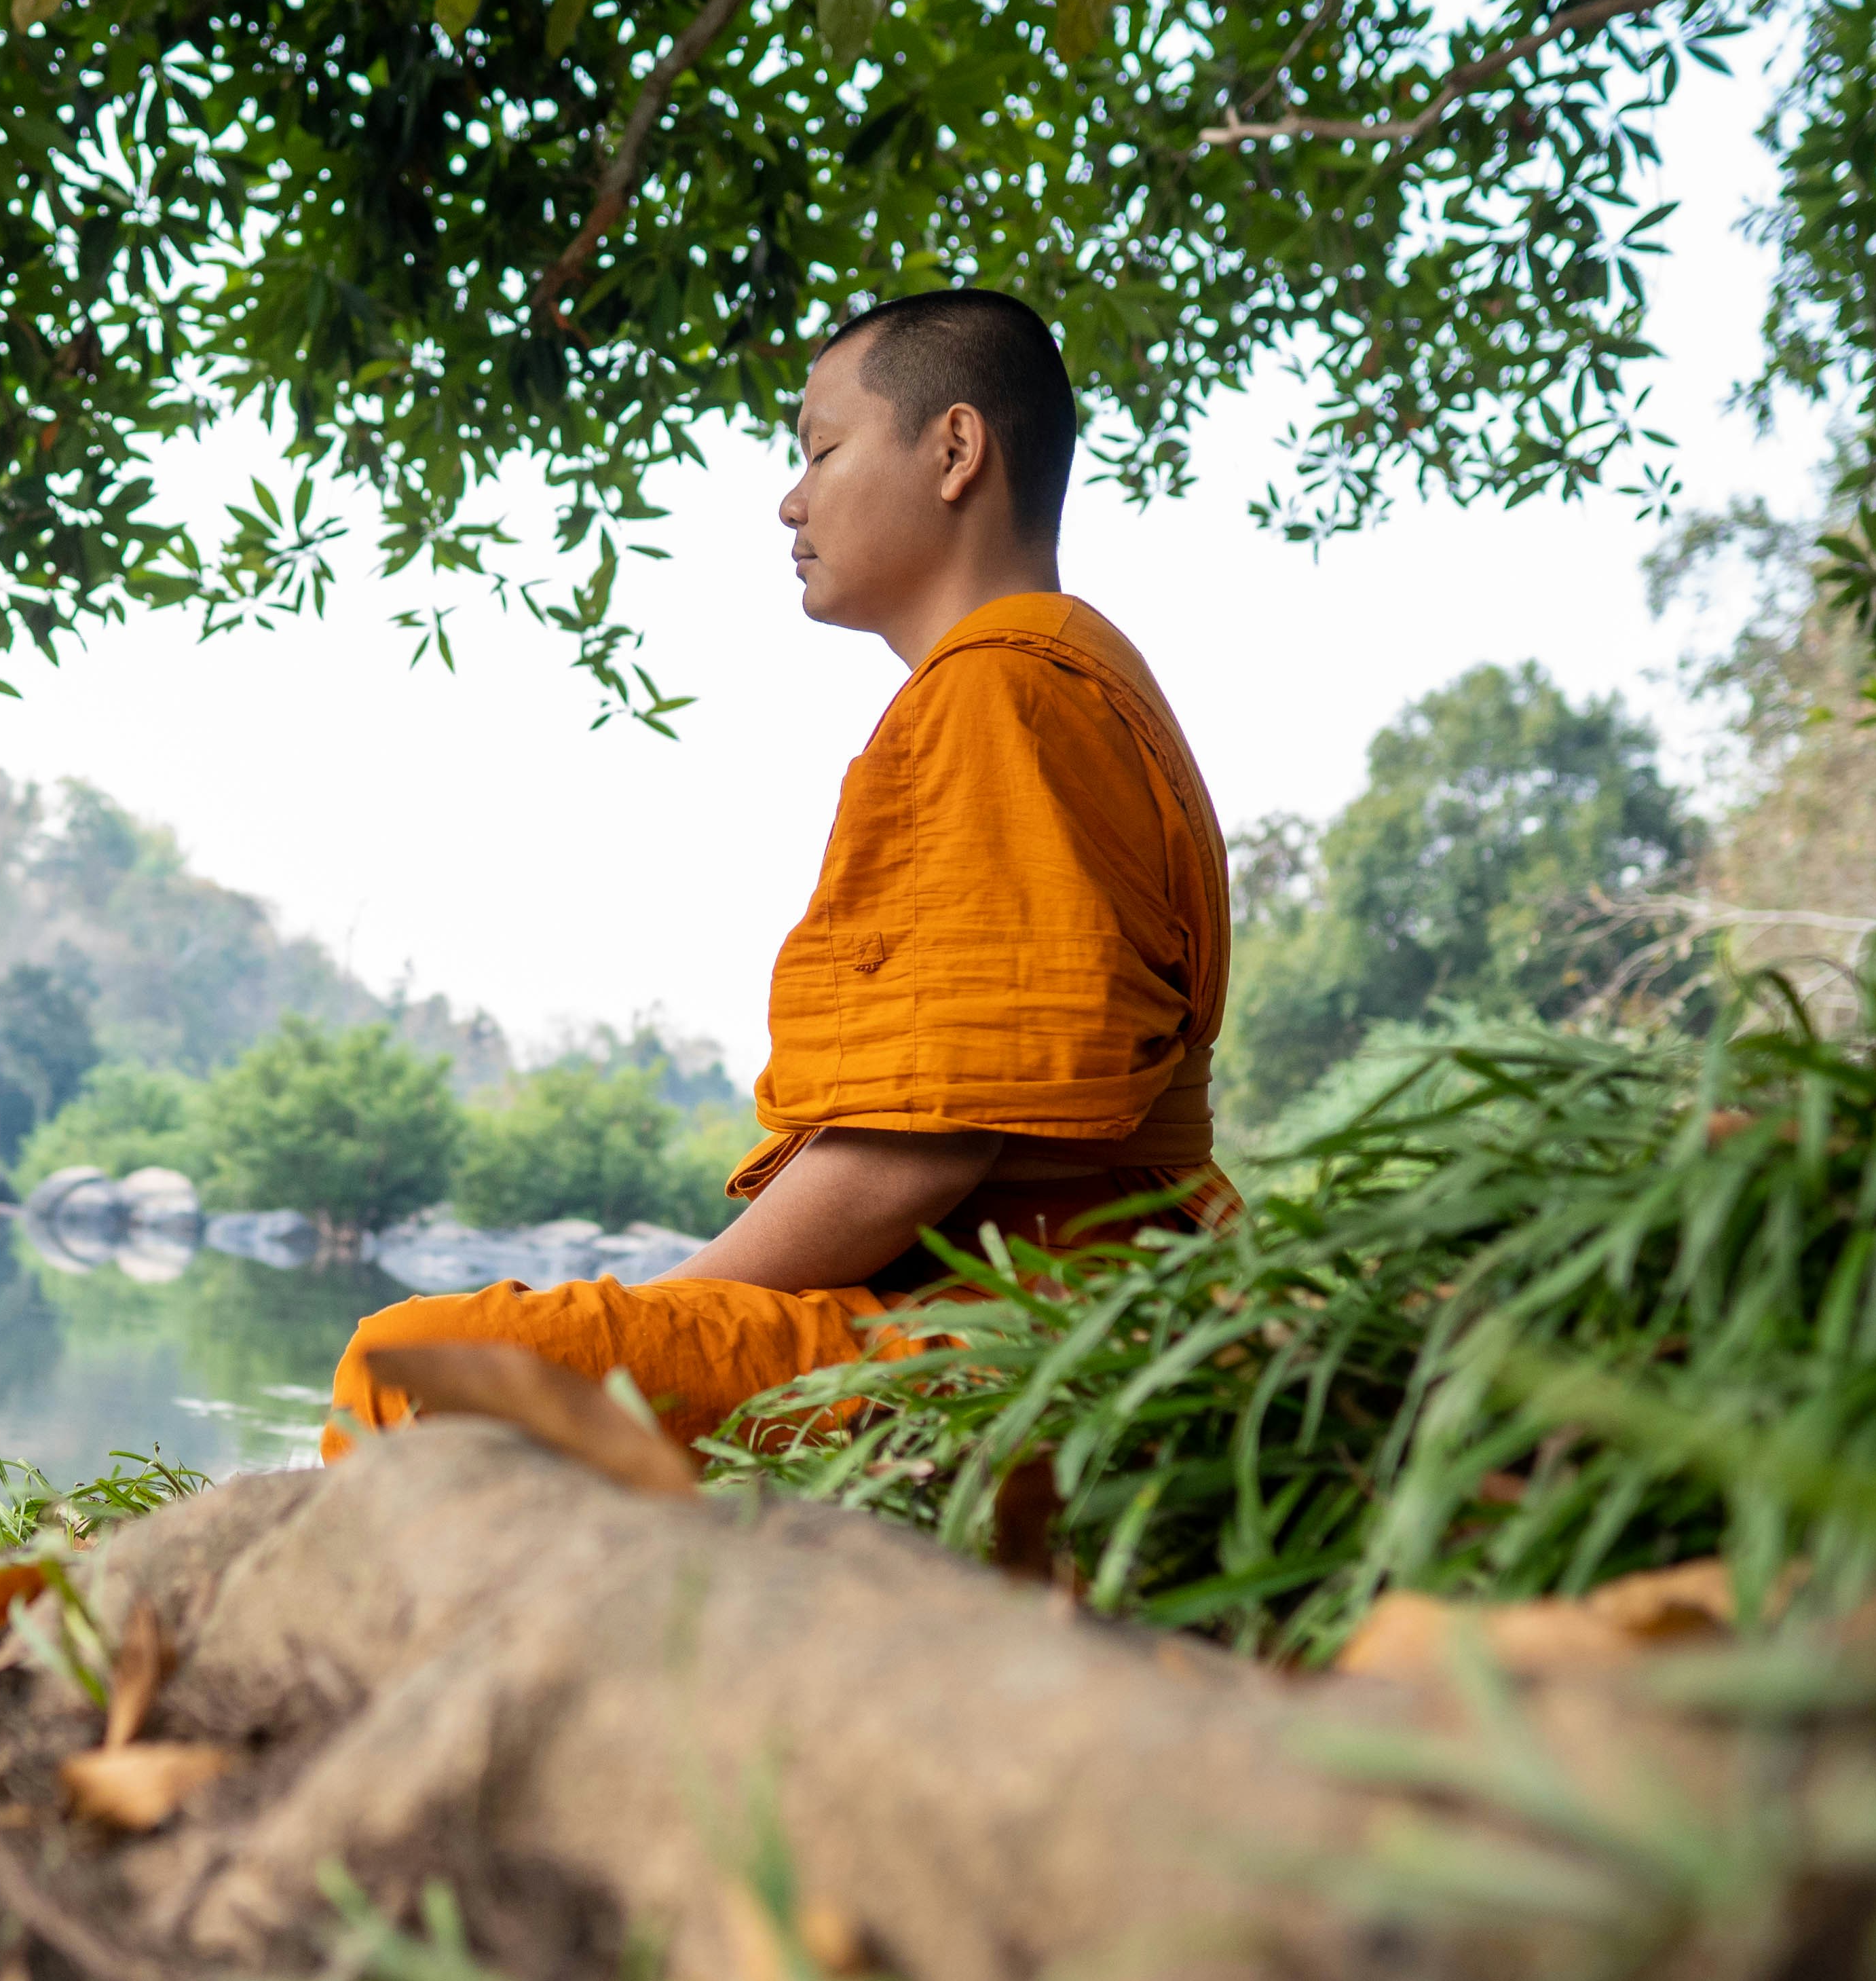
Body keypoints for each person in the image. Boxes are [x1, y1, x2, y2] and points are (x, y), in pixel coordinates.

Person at [324, 289, 1235, 1457]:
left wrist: (671, 1316)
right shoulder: (1064, 674)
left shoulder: (1001, 692)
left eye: (821, 448)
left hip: (1024, 1343)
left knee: (419, 1368)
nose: (790, 500)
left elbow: (922, 1148)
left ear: (955, 450)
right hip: (1095, 1314)